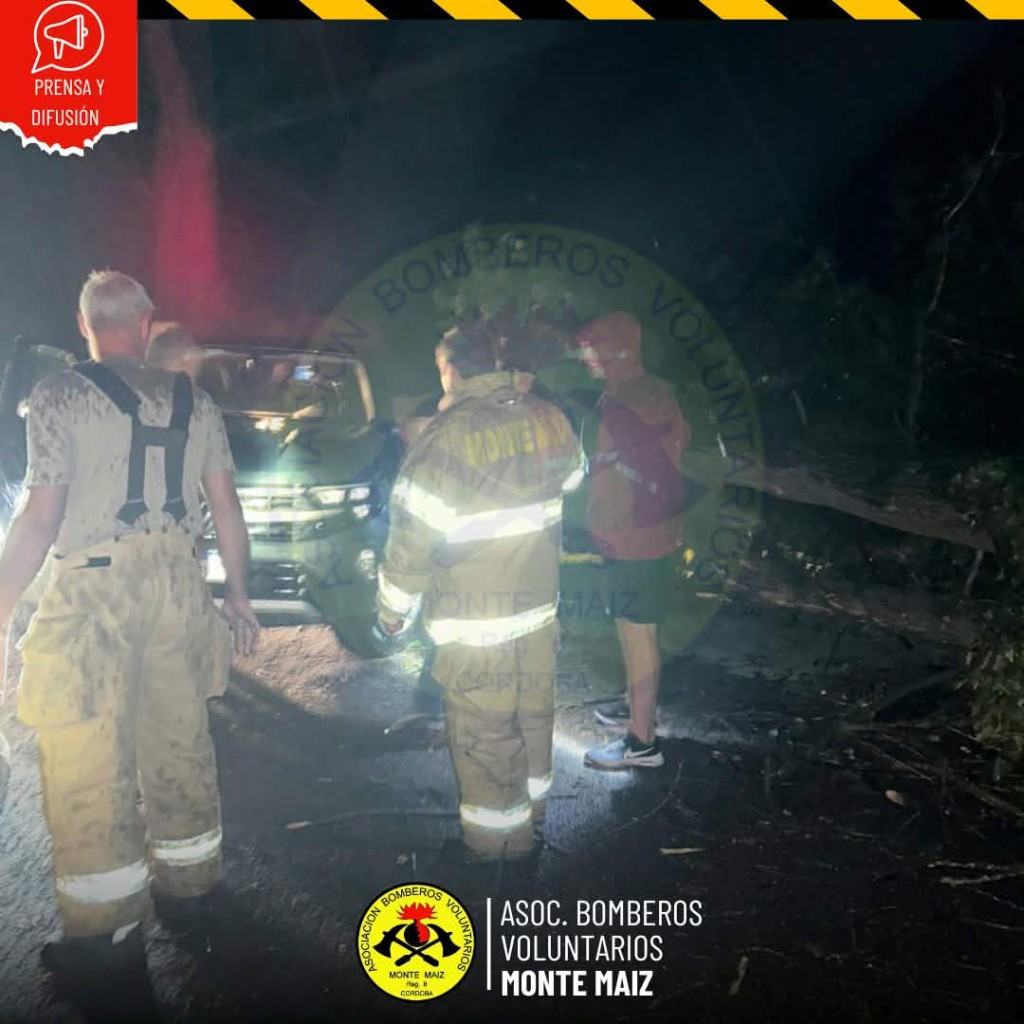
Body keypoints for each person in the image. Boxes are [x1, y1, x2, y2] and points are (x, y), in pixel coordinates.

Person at [0, 271, 259, 995]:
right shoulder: (196, 401)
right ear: (146, 323)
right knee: (179, 739)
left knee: (87, 754)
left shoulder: (58, 396)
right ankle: (192, 889)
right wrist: (239, 597)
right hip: (179, 588)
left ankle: (107, 936)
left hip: (95, 593)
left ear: (84, 325)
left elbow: (41, 518)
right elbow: (226, 509)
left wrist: (1, 607)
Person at [376, 323, 583, 864]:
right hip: (538, 609)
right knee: (533, 715)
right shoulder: (547, 416)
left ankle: (497, 846)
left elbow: (412, 535)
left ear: (450, 370)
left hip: (475, 622)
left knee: (486, 731)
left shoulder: (445, 436)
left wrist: (392, 609)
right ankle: (534, 814)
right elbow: (574, 477)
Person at [578, 312, 690, 770]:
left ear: (615, 350)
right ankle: (636, 705)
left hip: (633, 537)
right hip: (660, 531)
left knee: (636, 632)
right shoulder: (656, 390)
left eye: (591, 348)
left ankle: (642, 743)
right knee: (640, 629)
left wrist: (601, 529)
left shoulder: (621, 402)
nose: (584, 356)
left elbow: (616, 480)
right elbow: (680, 442)